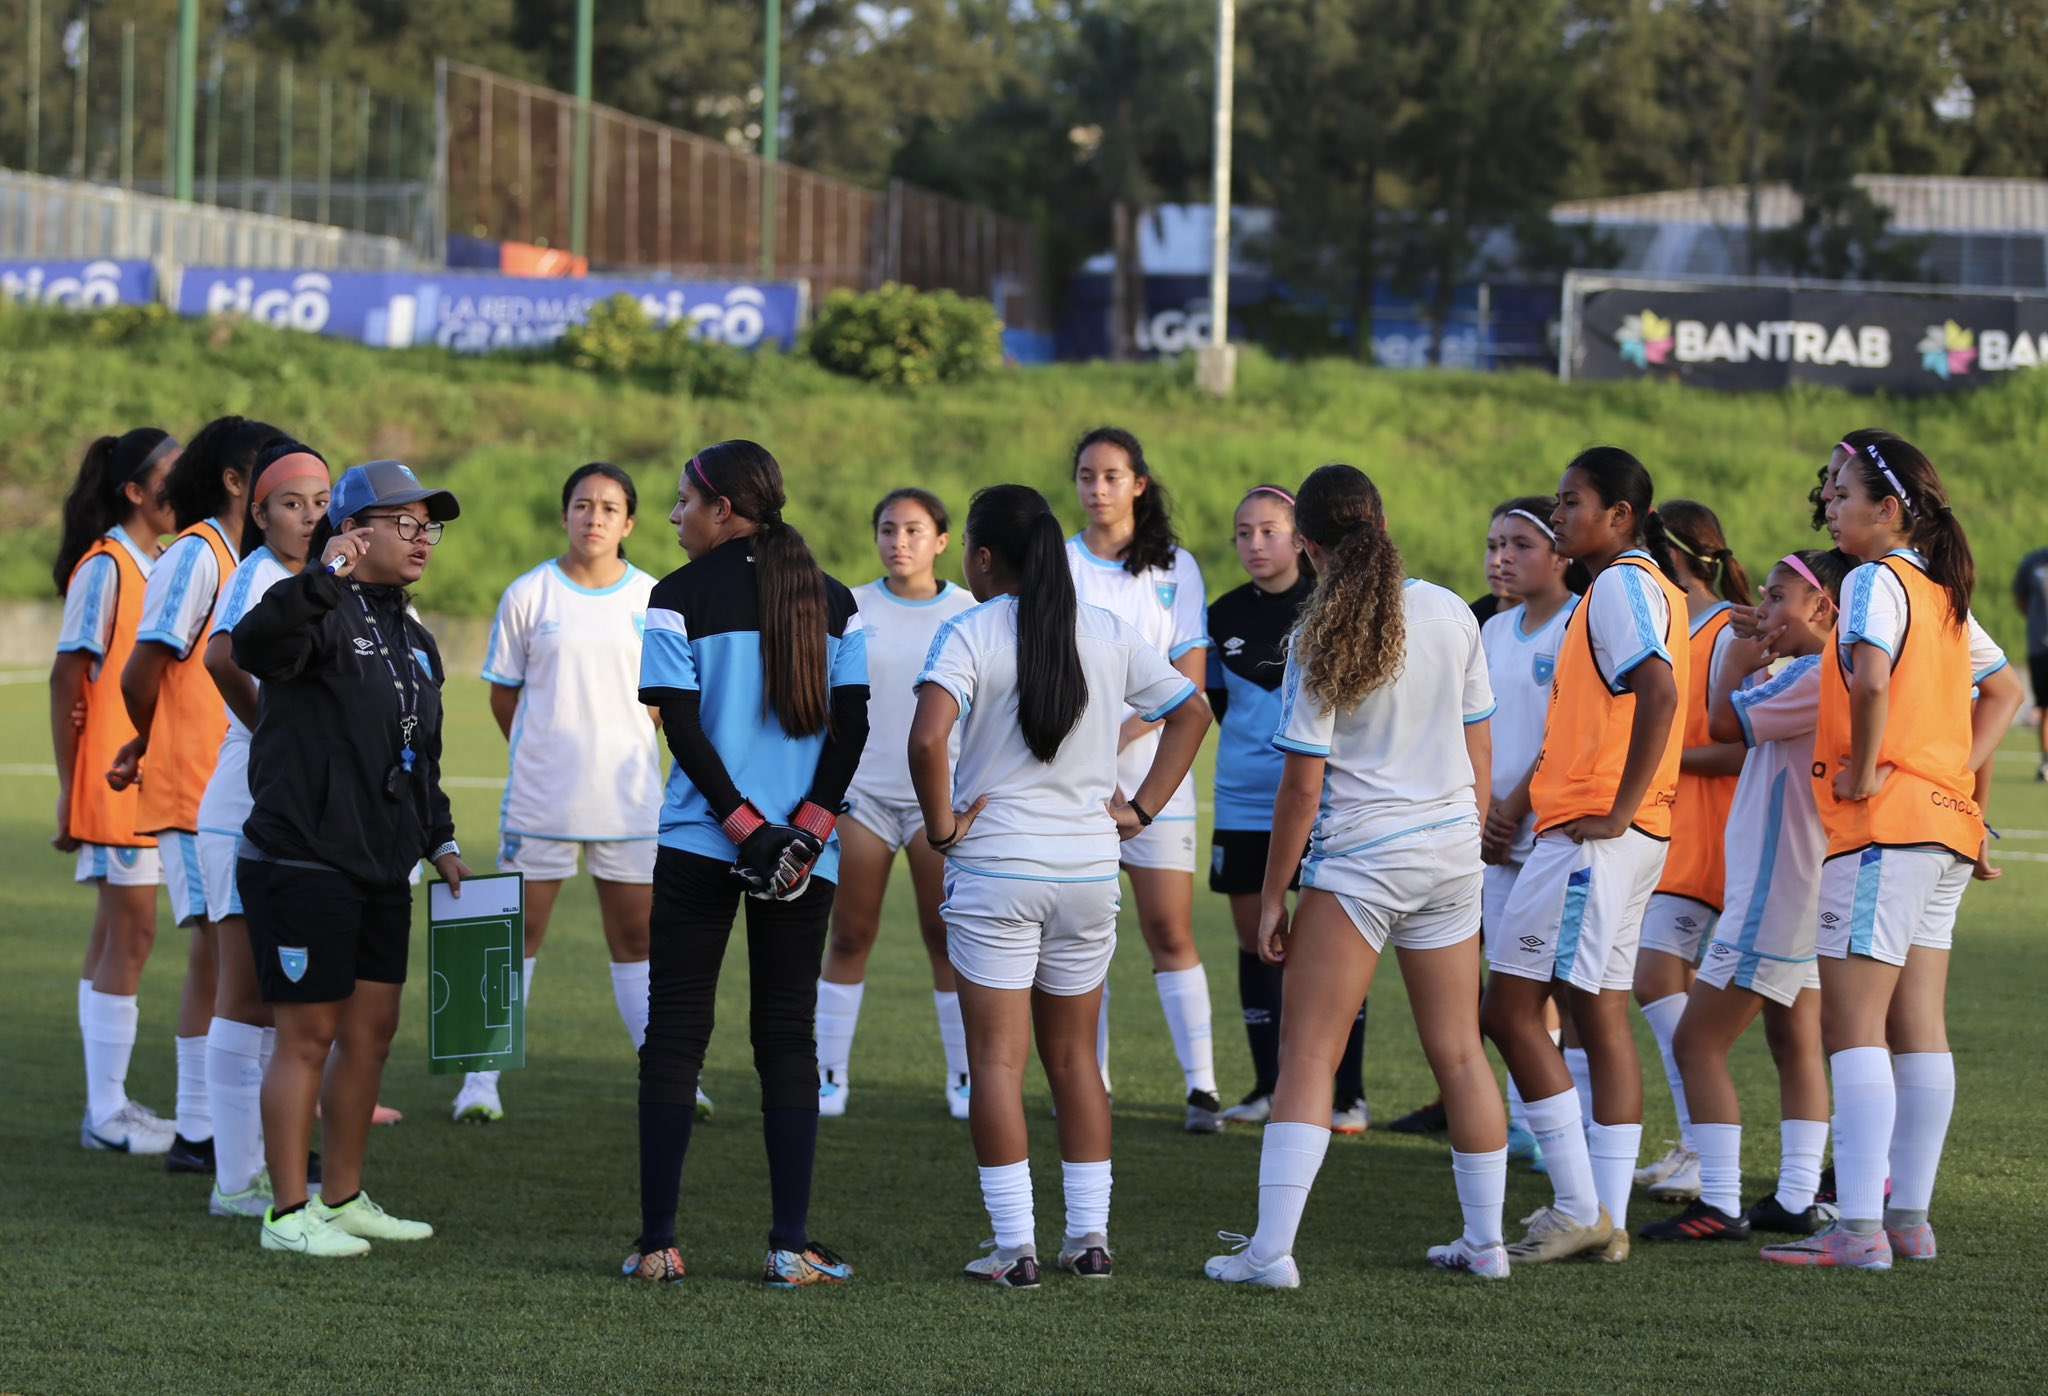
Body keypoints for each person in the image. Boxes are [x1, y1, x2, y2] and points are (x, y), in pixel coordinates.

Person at [1204, 464, 1508, 1288]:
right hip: (1449, 857)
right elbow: (1480, 744)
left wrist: (1275, 895)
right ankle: (1487, 1246)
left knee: (1307, 1055)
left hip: (1362, 862)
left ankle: (1270, 1253)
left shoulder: (1313, 633)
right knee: (1460, 1054)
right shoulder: (1450, 611)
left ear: (1307, 545)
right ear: (1380, 520)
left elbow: (1302, 786)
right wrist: (1465, 837)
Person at [911, 483, 1209, 1288]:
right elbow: (1192, 711)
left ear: (979, 557)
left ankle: (1015, 1251)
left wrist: (942, 829)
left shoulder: (969, 630)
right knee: (1076, 1059)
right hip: (1087, 870)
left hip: (997, 870)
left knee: (997, 1066)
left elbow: (928, 737)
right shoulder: (1108, 630)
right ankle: (1090, 1242)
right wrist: (1140, 810)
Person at [1762, 432, 2023, 1270]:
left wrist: (1872, 767)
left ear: (1889, 510)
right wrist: (1952, 773)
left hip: (1886, 830)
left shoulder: (1876, 581)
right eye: (1830, 492)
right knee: (1920, 1032)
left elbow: (1870, 680)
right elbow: (2009, 691)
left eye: (1842, 493)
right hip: (1943, 829)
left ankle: (1860, 1231)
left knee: (1855, 1028)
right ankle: (1907, 1220)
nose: (1830, 506)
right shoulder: (1943, 593)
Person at [626, 440, 869, 1289]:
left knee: (676, 1037)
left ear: (724, 509)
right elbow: (854, 728)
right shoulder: (838, 600)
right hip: (804, 855)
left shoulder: (673, 595)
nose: (672, 516)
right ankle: (789, 1246)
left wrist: (741, 825)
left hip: (704, 842)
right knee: (787, 1039)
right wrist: (801, 830)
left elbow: (681, 726)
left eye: (683, 501)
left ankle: (659, 1244)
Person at [233, 459, 468, 1257]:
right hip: (302, 859)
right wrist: (320, 576)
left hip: (382, 863)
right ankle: (285, 1212)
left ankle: (342, 1197)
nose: (422, 539)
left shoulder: (414, 635)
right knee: (307, 1035)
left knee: (371, 1033)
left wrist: (440, 838)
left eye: (427, 525)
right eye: (405, 523)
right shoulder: (312, 608)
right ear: (354, 532)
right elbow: (255, 645)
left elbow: (420, 753)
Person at [1480, 446, 1688, 1266]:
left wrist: (1620, 809)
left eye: (1572, 503)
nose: (1560, 515)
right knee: (1597, 1013)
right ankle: (1603, 1216)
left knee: (1509, 1011)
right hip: (1612, 834)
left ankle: (1580, 1205)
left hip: (1591, 835)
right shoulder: (1638, 585)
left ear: (1620, 517)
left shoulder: (1622, 586)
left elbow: (1661, 694)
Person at [453, 463, 692, 1124]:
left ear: (630, 523)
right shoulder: (530, 594)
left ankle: (667, 1077)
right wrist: (544, 753)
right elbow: (505, 696)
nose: (594, 518)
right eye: (583, 505)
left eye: (609, 508)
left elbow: (671, 704)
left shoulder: (655, 596)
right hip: (542, 801)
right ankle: (479, 1082)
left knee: (639, 939)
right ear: (564, 515)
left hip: (630, 803)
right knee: (513, 934)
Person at [1638, 549, 1849, 1245]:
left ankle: (1721, 1202)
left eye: (1780, 595)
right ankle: (1793, 1196)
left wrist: (1734, 652)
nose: (1762, 606)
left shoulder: (1822, 676)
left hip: (1776, 888)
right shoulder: (1822, 674)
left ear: (1823, 608)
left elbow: (1726, 724)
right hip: (1799, 882)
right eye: (1763, 592)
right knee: (1793, 1041)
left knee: (1699, 1039)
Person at [111, 415, 275, 1174]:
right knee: (218, 954)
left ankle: (215, 1129)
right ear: (238, 481)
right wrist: (153, 741)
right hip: (192, 787)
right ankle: (201, 1132)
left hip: (243, 787)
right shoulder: (198, 554)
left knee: (237, 955)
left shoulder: (255, 557)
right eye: (271, 471)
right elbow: (143, 670)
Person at [1066, 426, 1219, 1131]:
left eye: (1111, 476)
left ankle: (1202, 1088)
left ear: (1139, 485)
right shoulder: (1060, 564)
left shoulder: (1175, 569)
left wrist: (1131, 732)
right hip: (1077, 785)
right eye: (1087, 476)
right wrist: (1094, 747)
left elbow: (1190, 683)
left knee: (1168, 929)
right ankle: (1092, 1082)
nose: (1098, 489)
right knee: (1084, 935)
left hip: (1161, 775)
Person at [195, 440, 333, 1217]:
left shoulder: (323, 576)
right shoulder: (259, 575)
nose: (309, 517)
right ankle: (232, 1182)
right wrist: (272, 732)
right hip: (245, 811)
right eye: (291, 503)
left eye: (320, 501)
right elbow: (220, 658)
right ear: (259, 512)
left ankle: (271, 1168)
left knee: (294, 1001)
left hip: (299, 815)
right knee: (244, 997)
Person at [1206, 485, 1367, 1133]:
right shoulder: (1220, 616)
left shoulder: (1333, 608)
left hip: (1325, 806)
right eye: (1243, 533)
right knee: (1257, 947)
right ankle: (1270, 1088)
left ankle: (1347, 1095)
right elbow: (1218, 707)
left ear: (1301, 537)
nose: (1255, 544)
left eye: (1268, 531)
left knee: (1330, 954)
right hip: (1244, 803)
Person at [815, 488, 979, 1120]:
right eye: (887, 529)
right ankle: (830, 1074)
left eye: (914, 530)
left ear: (942, 541)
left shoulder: (970, 610)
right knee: (851, 932)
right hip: (864, 799)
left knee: (947, 936)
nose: (899, 541)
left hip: (940, 800)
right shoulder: (851, 605)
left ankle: (965, 1077)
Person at [52, 427, 181, 1154]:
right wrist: (72, 793)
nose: (181, 483)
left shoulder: (156, 561)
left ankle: (109, 1104)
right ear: (133, 491)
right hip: (111, 781)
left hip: (142, 774)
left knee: (117, 935)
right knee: (131, 935)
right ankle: (104, 1113)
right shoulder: (106, 566)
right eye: (169, 473)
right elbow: (67, 676)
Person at [1631, 500, 1752, 1207]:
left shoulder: (1729, 629)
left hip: (1713, 835)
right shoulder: (1676, 626)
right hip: (1674, 832)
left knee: (1655, 979)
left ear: (1671, 558)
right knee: (1657, 983)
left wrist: (1660, 752)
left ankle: (1708, 1151)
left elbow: (1744, 743)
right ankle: (1696, 1142)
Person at [1476, 496, 1580, 1172]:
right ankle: (1527, 1124)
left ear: (1561, 555)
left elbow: (1570, 735)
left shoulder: (1578, 625)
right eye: (1493, 544)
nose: (1501, 558)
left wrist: (1514, 802)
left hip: (1553, 832)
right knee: (1509, 981)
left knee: (1561, 989)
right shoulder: (1490, 629)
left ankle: (1576, 1130)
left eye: (1518, 544)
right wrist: (1483, 805)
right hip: (1493, 834)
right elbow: (1476, 728)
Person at [2012, 542, 2048, 780]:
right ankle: (2046, 763)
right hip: (2041, 647)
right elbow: (2021, 599)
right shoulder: (2033, 562)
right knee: (2045, 706)